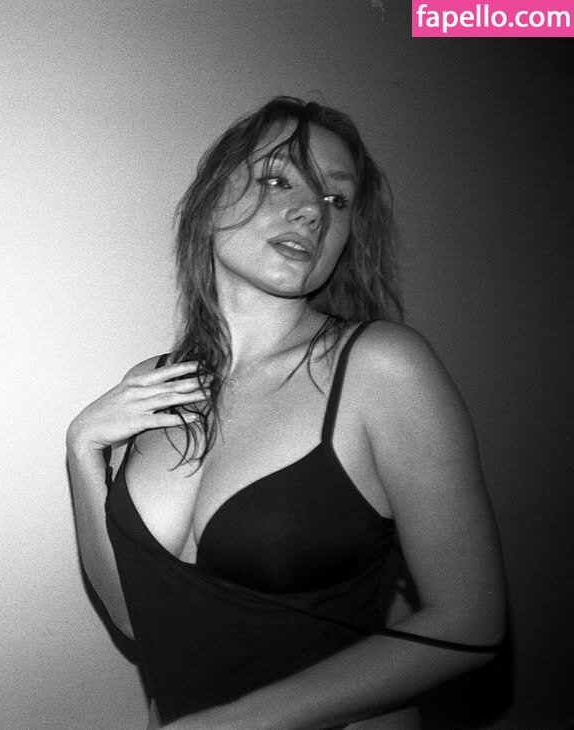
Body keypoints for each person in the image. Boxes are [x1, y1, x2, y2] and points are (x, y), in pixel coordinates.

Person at [66, 97, 506, 729]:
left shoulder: (382, 367)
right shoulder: (156, 384)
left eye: (336, 199)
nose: (311, 210)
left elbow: (471, 624)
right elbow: (139, 621)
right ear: (210, 199)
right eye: (278, 179)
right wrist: (83, 451)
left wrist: (231, 725)